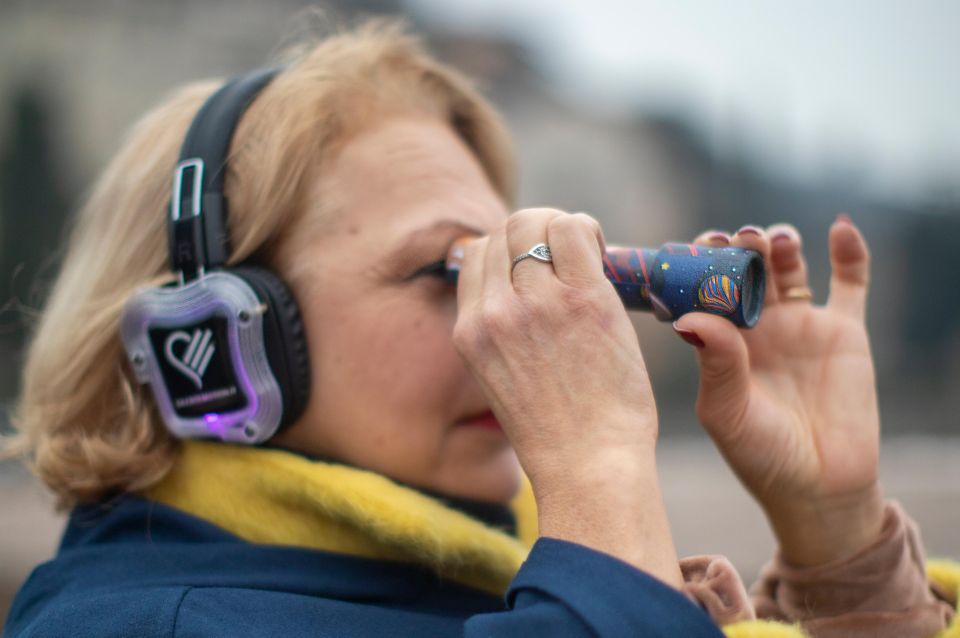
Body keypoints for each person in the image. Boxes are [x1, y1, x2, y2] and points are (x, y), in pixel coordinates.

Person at [3, 19, 957, 638]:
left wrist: (840, 548)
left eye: (504, 264)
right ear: (215, 340)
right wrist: (598, 483)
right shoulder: (137, 625)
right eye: (445, 269)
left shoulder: (495, 579)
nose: (504, 319)